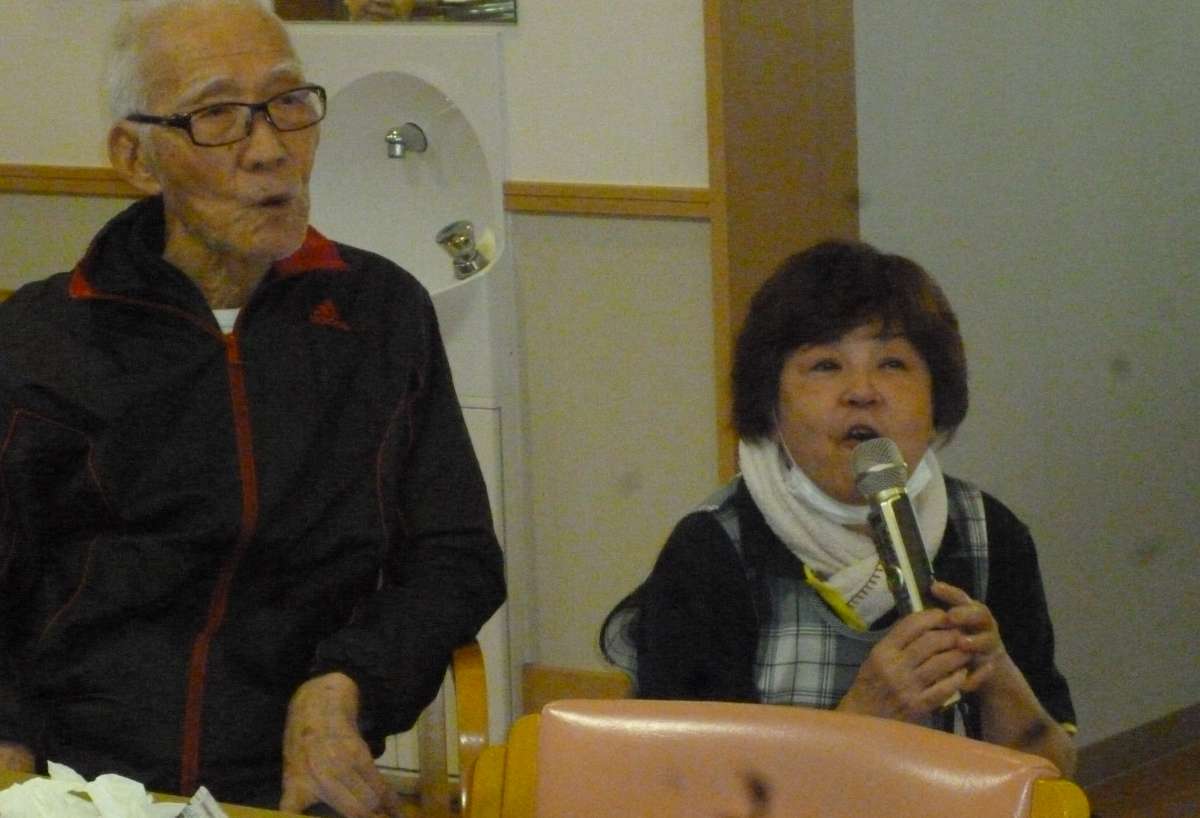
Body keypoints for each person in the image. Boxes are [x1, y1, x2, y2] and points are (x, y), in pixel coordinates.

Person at [0, 1, 505, 815]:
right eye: (217, 116)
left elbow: (456, 556)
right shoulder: (42, 338)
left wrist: (347, 685)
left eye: (288, 102)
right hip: (79, 781)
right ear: (136, 157)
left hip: (297, 779)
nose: (270, 149)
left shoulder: (381, 314)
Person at [601, 240, 1078, 775]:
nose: (862, 392)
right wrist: (862, 716)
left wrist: (997, 676)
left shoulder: (990, 534)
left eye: (892, 364)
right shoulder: (711, 551)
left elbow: (1054, 778)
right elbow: (683, 789)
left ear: (937, 396)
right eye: (826, 365)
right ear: (771, 402)